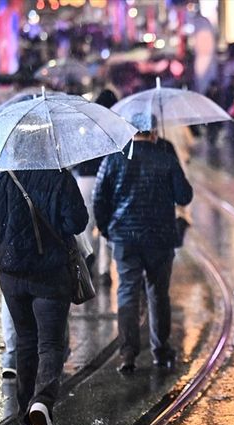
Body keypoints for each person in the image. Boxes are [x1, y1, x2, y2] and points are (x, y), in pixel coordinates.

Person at [0, 169, 88, 425]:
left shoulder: (2, 179)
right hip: (51, 277)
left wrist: (8, 244)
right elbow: (77, 222)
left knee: (26, 340)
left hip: (13, 278)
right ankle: (42, 402)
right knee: (50, 344)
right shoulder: (60, 178)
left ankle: (27, 413)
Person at [93, 114, 193, 374]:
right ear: (153, 131)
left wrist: (106, 228)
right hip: (160, 238)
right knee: (158, 293)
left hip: (125, 238)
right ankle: (161, 350)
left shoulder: (115, 157)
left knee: (127, 291)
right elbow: (184, 195)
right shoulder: (166, 155)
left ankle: (128, 352)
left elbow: (99, 197)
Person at [72, 88, 118, 286]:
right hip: (107, 182)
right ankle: (104, 269)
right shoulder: (116, 127)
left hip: (85, 180)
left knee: (85, 225)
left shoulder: (87, 126)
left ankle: (88, 257)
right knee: (106, 227)